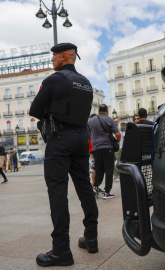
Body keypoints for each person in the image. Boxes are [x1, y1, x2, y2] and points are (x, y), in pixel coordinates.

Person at [29, 43, 98, 267]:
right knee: (85, 187)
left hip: (60, 140)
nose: (52, 60)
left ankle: (61, 251)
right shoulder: (86, 83)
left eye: (54, 56)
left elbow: (35, 110)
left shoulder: (55, 79)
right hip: (81, 138)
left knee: (57, 191)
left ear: (65, 56)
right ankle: (91, 238)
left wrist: (51, 109)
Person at [88, 104, 121, 199]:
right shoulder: (109, 119)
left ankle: (95, 187)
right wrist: (117, 141)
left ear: (99, 111)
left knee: (99, 168)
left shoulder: (91, 121)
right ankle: (107, 192)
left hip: (96, 149)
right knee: (109, 169)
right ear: (107, 111)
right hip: (107, 147)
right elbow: (118, 134)